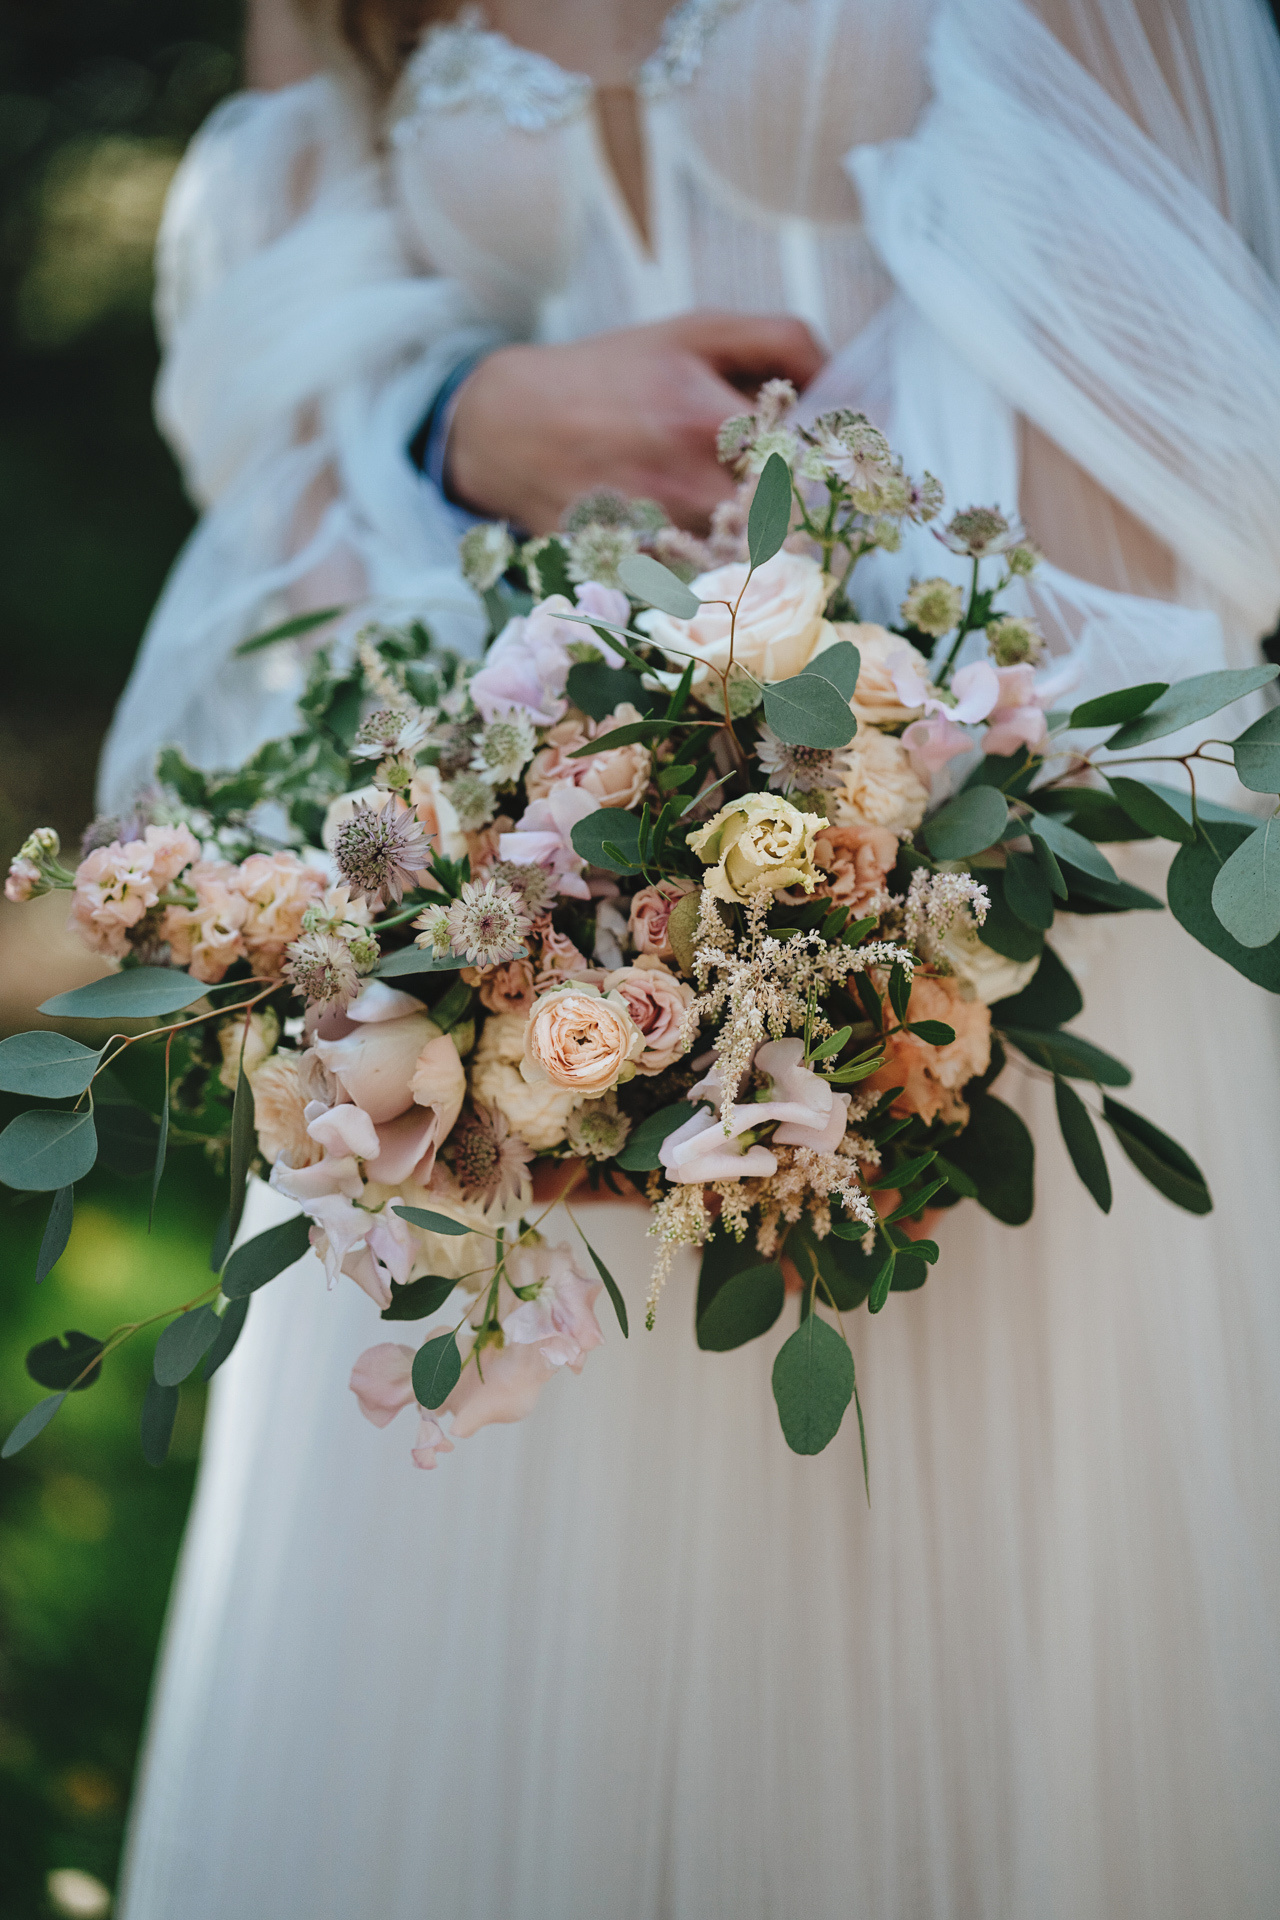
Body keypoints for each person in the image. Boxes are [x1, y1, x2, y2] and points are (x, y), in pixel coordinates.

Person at [112, 4, 1280, 1916]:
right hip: (490, 955)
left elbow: (1175, 411)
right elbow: (269, 352)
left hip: (981, 895)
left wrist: (805, 801)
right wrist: (460, 419)